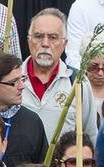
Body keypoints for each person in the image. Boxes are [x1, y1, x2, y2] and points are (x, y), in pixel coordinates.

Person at [26, 8, 98, 143]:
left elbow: (90, 135)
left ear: (65, 43)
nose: (45, 44)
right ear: (29, 40)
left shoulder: (78, 82)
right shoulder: (12, 80)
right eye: (38, 36)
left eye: (53, 37)